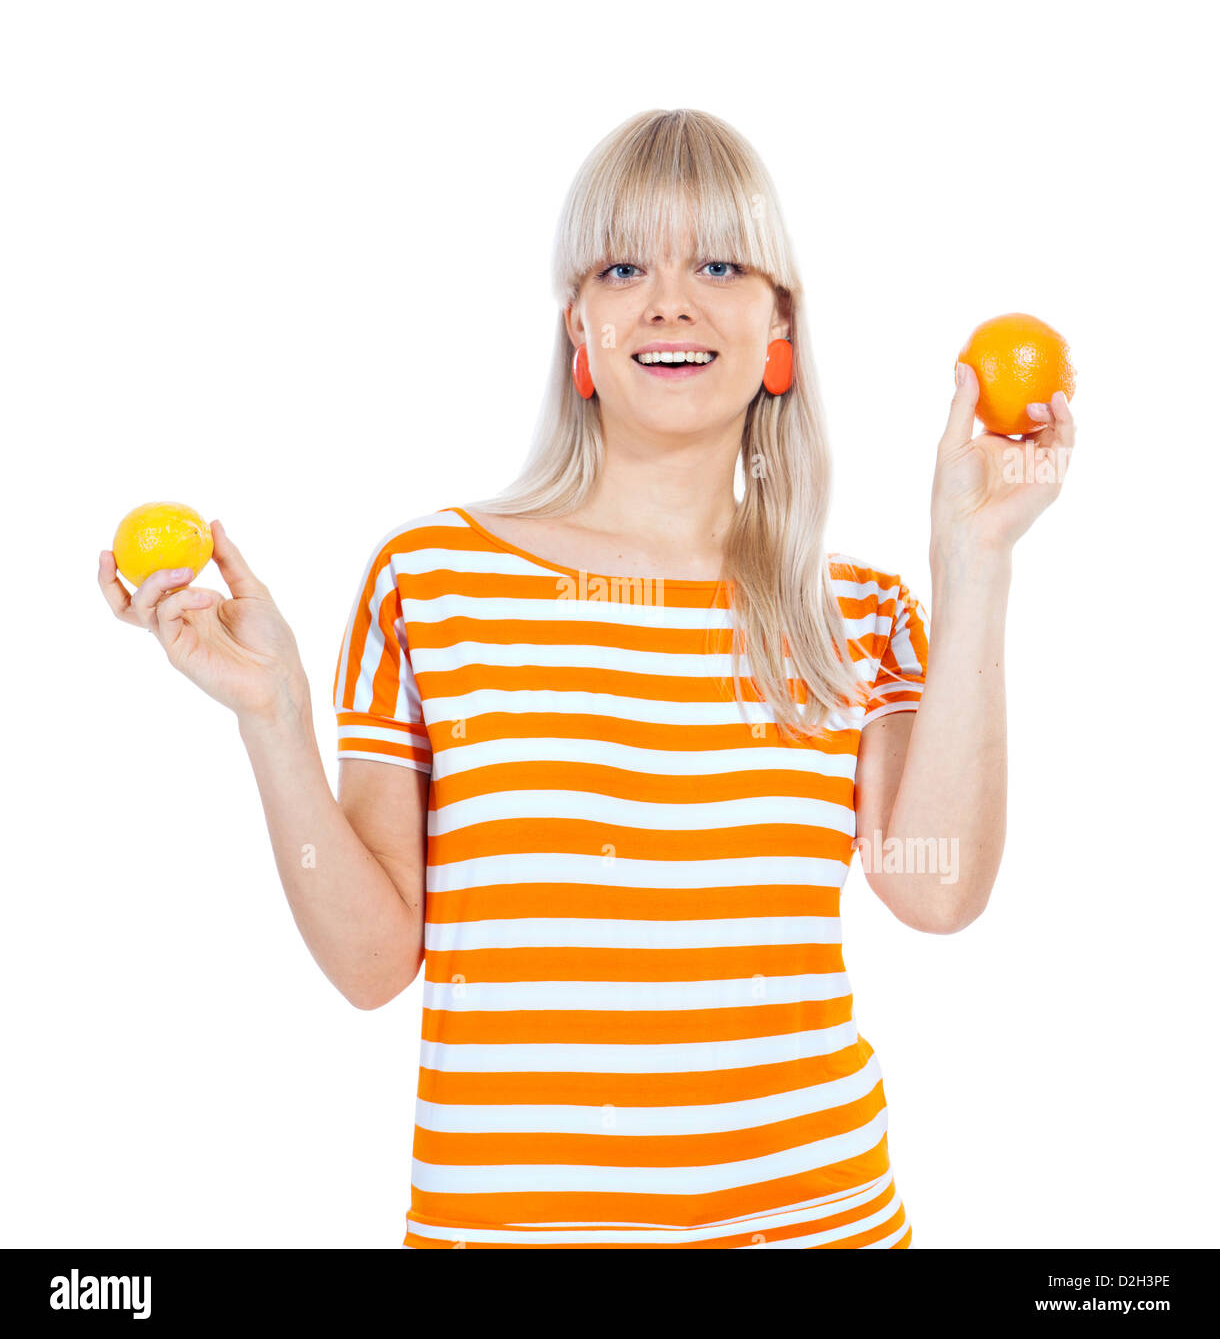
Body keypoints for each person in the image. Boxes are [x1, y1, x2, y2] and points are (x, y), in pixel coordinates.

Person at [99, 107, 1074, 1249]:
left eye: (717, 262)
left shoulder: (850, 615)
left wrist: (973, 564)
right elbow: (371, 966)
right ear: (579, 325)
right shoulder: (433, 583)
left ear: (778, 328)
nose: (668, 300)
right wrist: (273, 720)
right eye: (622, 266)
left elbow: (937, 889)